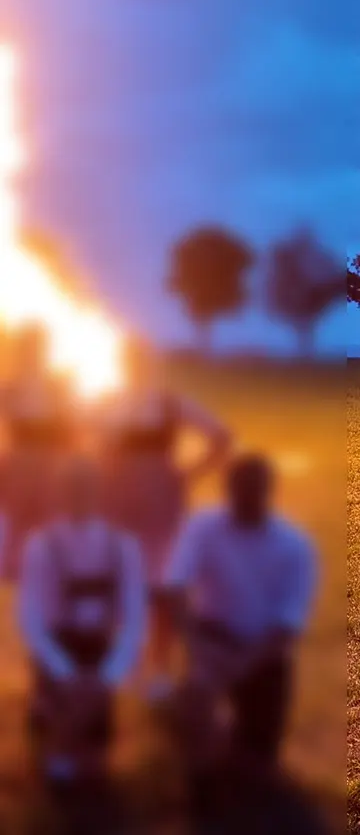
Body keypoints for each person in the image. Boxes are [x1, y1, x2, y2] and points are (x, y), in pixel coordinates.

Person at [162, 455, 317, 807]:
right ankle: (200, 782)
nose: (246, 496)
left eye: (254, 489)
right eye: (240, 489)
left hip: (264, 651)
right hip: (212, 638)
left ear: (267, 491)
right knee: (198, 696)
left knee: (257, 766)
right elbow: (176, 589)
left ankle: (238, 744)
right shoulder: (202, 527)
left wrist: (243, 665)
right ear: (228, 489)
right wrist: (199, 649)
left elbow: (287, 625)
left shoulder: (292, 544)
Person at [99, 340, 231, 695]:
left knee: (162, 584)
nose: (135, 369)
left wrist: (187, 475)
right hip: (120, 503)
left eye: (140, 362)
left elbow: (220, 437)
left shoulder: (169, 404)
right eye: (130, 362)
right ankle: (127, 660)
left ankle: (158, 668)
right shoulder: (110, 404)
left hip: (161, 503)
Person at [18, 456, 145, 798]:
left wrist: (108, 676)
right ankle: (49, 714)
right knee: (67, 769)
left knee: (90, 770)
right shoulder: (41, 544)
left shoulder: (123, 545)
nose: (78, 496)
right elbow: (31, 618)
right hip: (57, 649)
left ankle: (64, 731)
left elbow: (135, 619)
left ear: (100, 492)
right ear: (58, 493)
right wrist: (65, 673)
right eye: (70, 489)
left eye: (86, 488)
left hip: (100, 652)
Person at [1, 324, 77, 580]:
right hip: (18, 464)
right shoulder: (10, 389)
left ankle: (44, 572)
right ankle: (11, 572)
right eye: (29, 348)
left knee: (48, 521)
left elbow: (73, 431)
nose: (33, 354)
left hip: (51, 465)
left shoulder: (58, 389)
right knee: (15, 519)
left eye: (37, 348)